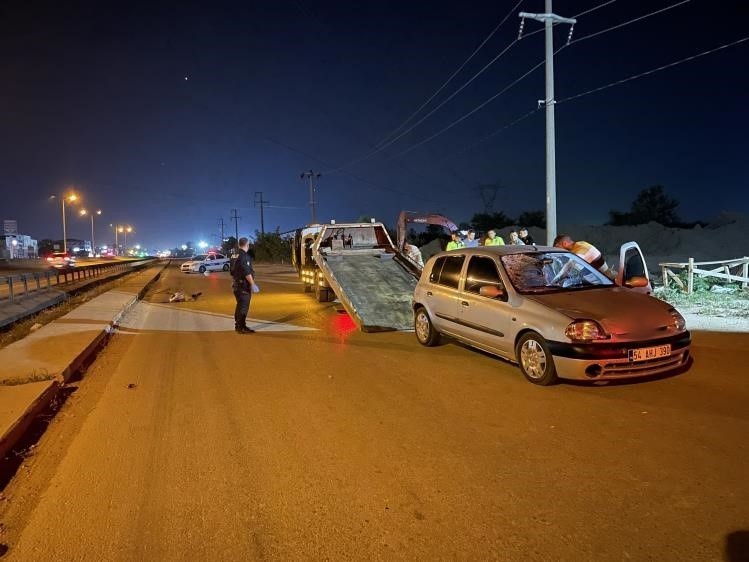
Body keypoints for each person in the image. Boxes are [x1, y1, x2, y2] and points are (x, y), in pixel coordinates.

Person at [230, 237, 259, 334]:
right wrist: (253, 284)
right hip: (243, 286)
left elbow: (232, 271)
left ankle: (239, 325)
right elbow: (246, 272)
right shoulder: (244, 256)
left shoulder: (234, 256)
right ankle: (240, 327)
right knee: (243, 307)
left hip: (236, 285)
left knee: (239, 305)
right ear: (247, 245)